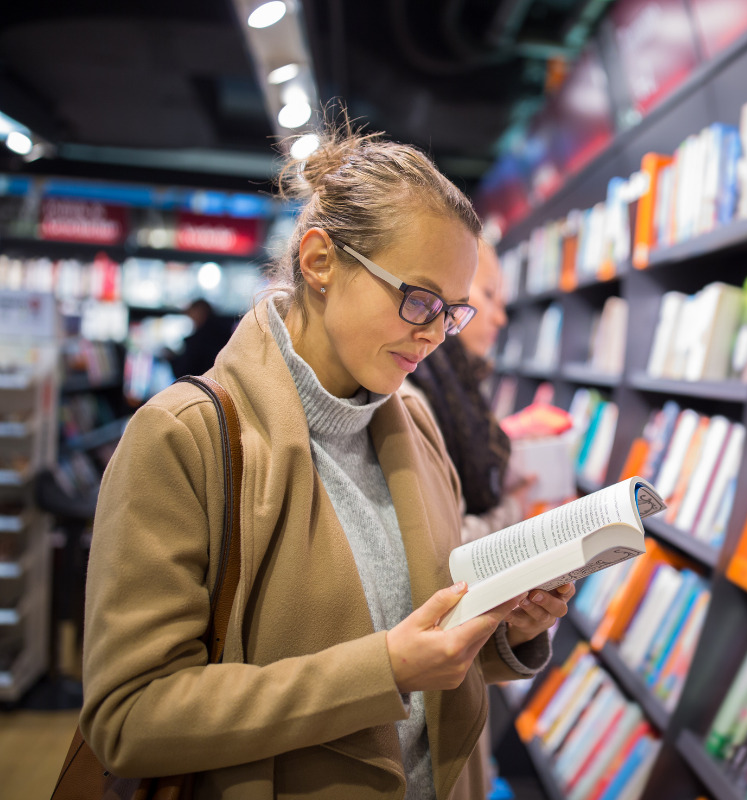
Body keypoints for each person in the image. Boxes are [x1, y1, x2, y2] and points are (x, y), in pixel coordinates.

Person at [79, 122, 569, 800]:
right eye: (418, 299)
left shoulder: (415, 424)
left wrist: (505, 633)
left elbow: (427, 641)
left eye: (451, 313)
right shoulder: (182, 438)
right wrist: (385, 670)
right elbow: (129, 718)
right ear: (318, 262)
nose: (434, 335)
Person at [409, 238, 534, 545]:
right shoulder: (413, 387)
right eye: (489, 294)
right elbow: (446, 541)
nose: (500, 318)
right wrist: (515, 508)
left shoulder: (458, 382)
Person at [164, 298, 236, 378]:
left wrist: (172, 359)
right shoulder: (228, 332)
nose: (191, 318)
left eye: (191, 313)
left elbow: (185, 373)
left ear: (200, 311)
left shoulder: (200, 339)